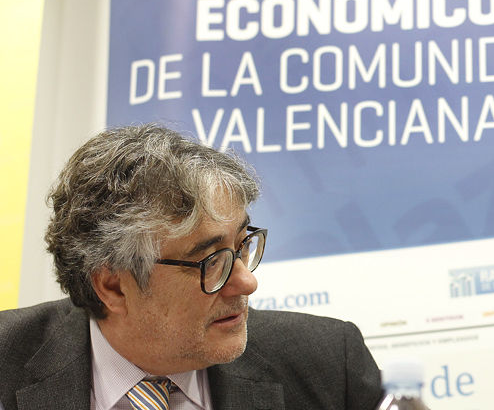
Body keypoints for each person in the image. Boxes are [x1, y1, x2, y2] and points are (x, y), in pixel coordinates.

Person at [0, 124, 382, 410]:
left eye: (242, 244)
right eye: (212, 261)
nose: (247, 282)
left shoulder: (329, 365)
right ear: (113, 286)